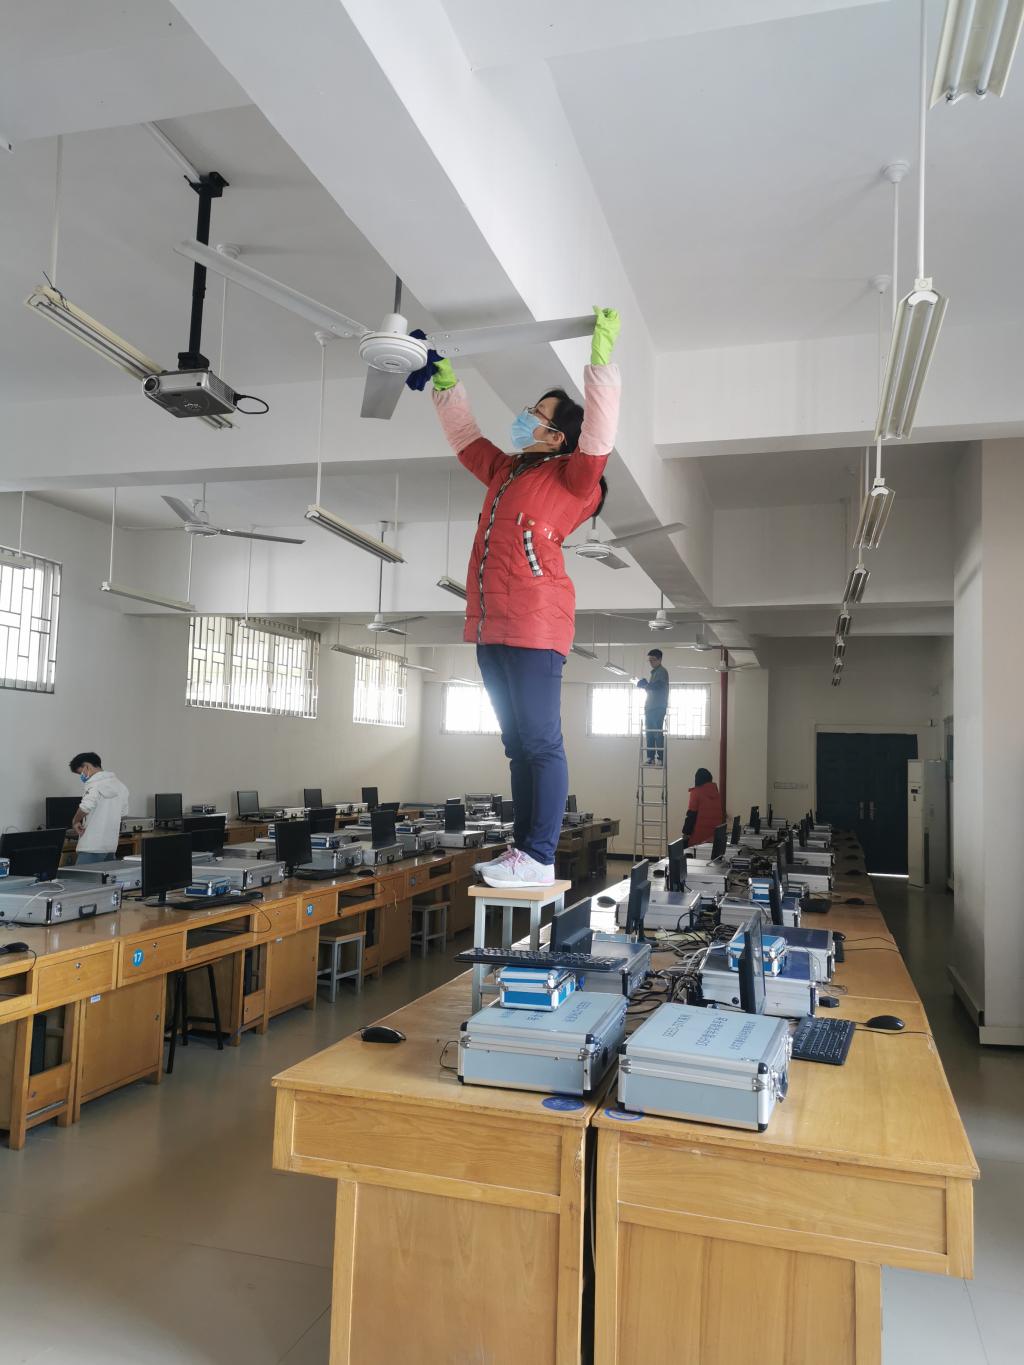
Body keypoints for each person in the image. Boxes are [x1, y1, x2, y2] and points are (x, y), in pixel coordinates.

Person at [429, 307, 622, 887]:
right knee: (516, 746)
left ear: (557, 435)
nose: (523, 418)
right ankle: (523, 852)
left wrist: (601, 365)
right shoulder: (507, 470)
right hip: (489, 624)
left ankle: (539, 855)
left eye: (534, 414)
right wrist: (445, 386)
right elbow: (467, 440)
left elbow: (599, 437)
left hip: (536, 622)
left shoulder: (573, 479)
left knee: (540, 742)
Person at [69, 752, 130, 864]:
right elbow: (123, 813)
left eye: (80, 772)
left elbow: (85, 807)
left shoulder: (94, 784)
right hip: (110, 846)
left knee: (81, 875)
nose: (82, 776)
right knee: (105, 875)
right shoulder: (120, 785)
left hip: (91, 846)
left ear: (86, 766)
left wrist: (75, 821)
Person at [637, 648, 670, 765]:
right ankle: (650, 758)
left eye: (653, 660)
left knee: (656, 732)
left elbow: (658, 685)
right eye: (649, 660)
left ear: (660, 659)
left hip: (658, 707)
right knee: (649, 733)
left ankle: (660, 758)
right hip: (650, 707)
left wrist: (646, 685)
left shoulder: (661, 672)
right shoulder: (654, 673)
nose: (651, 662)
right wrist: (644, 686)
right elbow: (651, 689)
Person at [682, 767, 724, 848]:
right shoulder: (717, 794)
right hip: (714, 838)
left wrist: (686, 833)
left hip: (698, 839)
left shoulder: (696, 793)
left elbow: (691, 815)